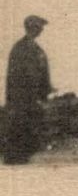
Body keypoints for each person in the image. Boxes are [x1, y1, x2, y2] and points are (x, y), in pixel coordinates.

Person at [4, 15, 52, 165]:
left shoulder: (33, 48)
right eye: (39, 27)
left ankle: (21, 156)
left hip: (29, 96)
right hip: (22, 96)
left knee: (28, 125)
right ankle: (15, 158)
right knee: (20, 124)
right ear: (33, 28)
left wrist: (45, 89)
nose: (42, 30)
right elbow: (24, 74)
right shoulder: (22, 48)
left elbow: (41, 72)